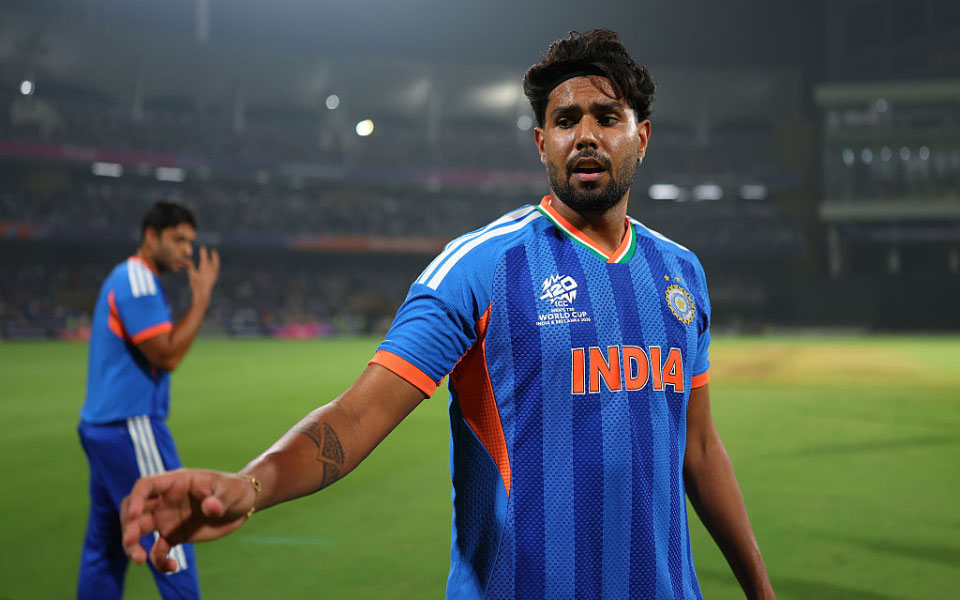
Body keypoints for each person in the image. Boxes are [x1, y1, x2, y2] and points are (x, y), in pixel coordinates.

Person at [120, 31, 775, 599]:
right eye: (566, 120)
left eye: (607, 117)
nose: (585, 136)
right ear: (542, 142)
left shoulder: (680, 273)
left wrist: (761, 591)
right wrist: (251, 485)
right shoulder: (479, 268)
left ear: (642, 136)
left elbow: (699, 448)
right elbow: (355, 416)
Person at [79, 201, 219, 599]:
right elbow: (166, 354)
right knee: (172, 534)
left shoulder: (129, 278)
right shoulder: (137, 280)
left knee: (106, 548)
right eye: (178, 240)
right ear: (150, 235)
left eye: (190, 242)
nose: (187, 251)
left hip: (103, 427)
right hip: (130, 426)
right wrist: (201, 299)